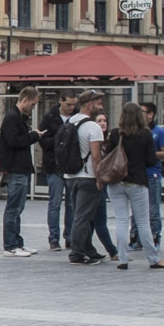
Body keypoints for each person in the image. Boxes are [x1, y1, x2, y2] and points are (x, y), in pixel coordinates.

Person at [106, 103, 164, 270]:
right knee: (143, 221)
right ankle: (153, 259)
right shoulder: (145, 134)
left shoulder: (115, 133)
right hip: (137, 182)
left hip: (116, 182)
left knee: (121, 220)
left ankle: (122, 259)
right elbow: (151, 160)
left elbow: (108, 154)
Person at [63, 90, 107, 265]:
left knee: (81, 214)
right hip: (87, 176)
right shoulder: (93, 127)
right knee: (82, 217)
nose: (101, 106)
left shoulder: (70, 121)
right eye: (98, 102)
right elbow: (96, 156)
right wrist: (99, 178)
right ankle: (77, 253)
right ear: (89, 104)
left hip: (71, 175)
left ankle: (89, 250)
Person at [0, 86, 42, 257]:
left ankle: (17, 242)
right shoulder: (11, 118)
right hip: (15, 168)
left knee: (18, 208)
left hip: (21, 168)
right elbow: (13, 141)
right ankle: (10, 245)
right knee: (13, 208)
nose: (33, 107)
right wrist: (34, 136)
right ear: (25, 100)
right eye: (32, 104)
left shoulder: (18, 117)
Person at [38, 93, 77, 251]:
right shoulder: (50, 117)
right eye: (68, 104)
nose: (71, 108)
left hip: (72, 166)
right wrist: (59, 140)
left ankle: (70, 236)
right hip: (54, 166)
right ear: (61, 101)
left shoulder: (77, 117)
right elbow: (42, 140)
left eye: (74, 104)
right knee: (54, 203)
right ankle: (53, 238)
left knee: (71, 203)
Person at [132, 102, 164, 251]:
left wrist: (149, 155)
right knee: (136, 209)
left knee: (153, 209)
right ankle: (135, 238)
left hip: (152, 174)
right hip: (136, 175)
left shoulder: (159, 132)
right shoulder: (135, 131)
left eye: (142, 111)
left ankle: (155, 238)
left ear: (150, 115)